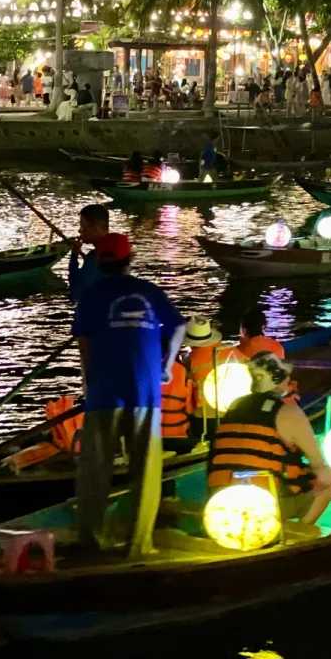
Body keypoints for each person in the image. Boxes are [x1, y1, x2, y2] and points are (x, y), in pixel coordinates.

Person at [73, 233, 189, 553]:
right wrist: (166, 365)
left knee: (95, 473)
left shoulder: (90, 296)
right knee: (146, 472)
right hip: (145, 392)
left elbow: (85, 348)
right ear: (130, 258)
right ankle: (139, 544)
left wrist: (88, 384)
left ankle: (91, 540)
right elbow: (180, 326)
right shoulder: (149, 292)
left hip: (103, 394)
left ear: (99, 261)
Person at [207, 351, 331, 528]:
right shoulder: (289, 412)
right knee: (330, 478)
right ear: (280, 379)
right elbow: (318, 464)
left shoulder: (234, 405)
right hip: (264, 503)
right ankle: (301, 532)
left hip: (221, 496)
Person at [68, 202, 110, 301]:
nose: (80, 230)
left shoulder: (97, 258)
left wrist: (74, 258)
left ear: (96, 227)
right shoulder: (114, 252)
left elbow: (78, 293)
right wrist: (74, 255)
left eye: (83, 226)